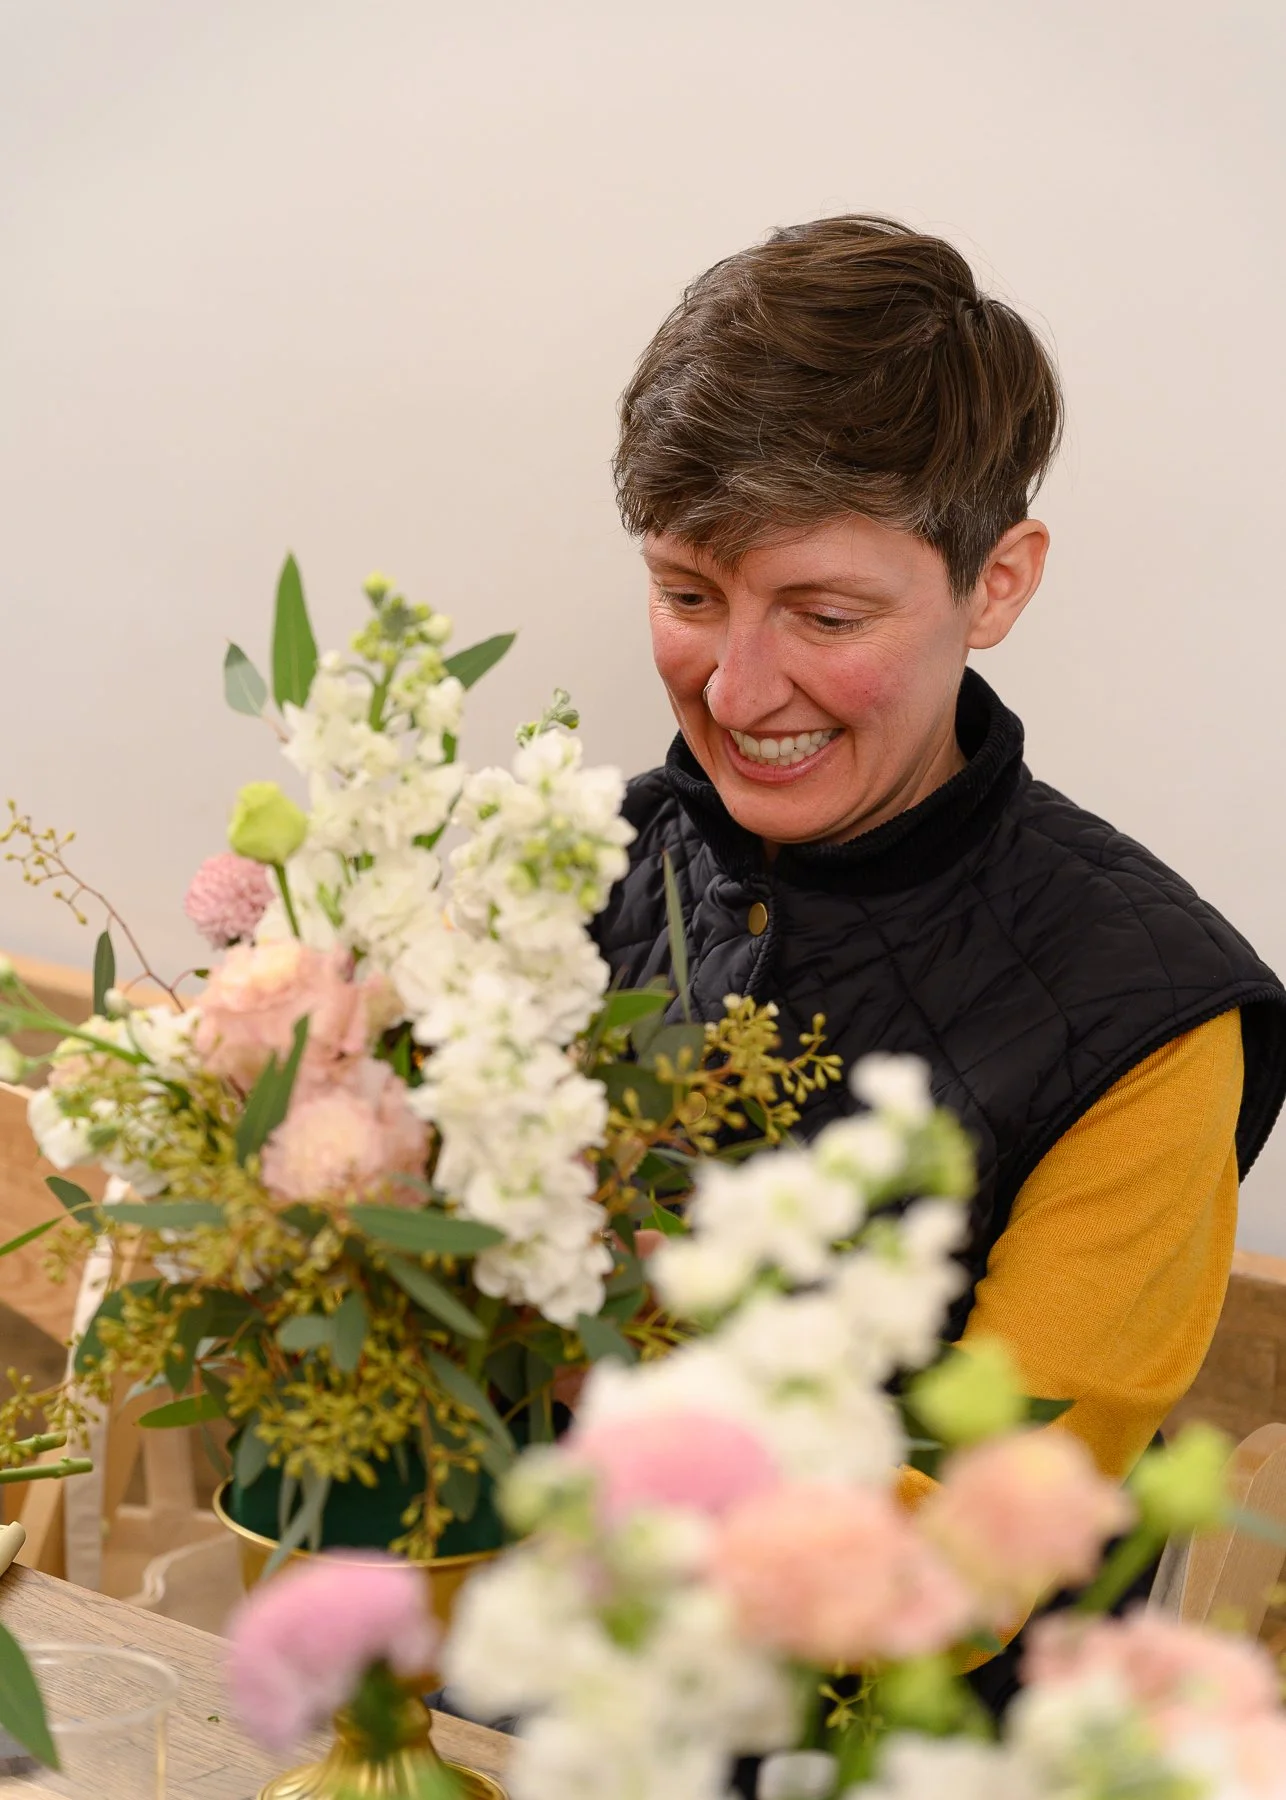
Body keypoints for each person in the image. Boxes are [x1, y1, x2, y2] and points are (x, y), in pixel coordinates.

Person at [593, 213, 1286, 1709]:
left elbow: (971, 1556)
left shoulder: (1145, 1016)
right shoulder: (563, 874)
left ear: (998, 583)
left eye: (823, 614)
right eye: (687, 593)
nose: (735, 686)